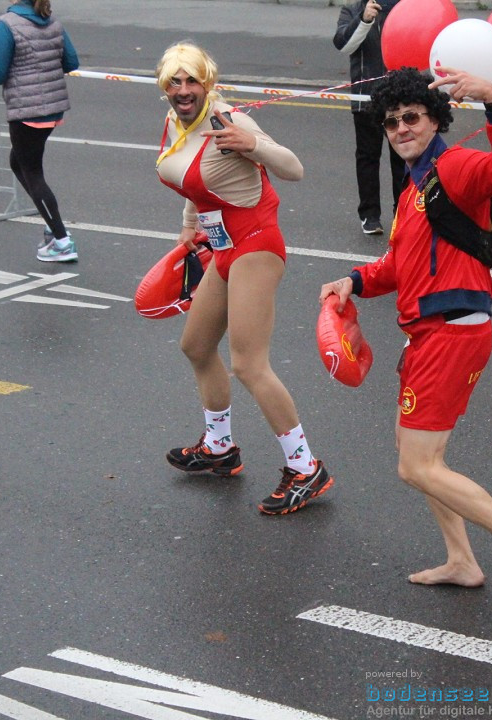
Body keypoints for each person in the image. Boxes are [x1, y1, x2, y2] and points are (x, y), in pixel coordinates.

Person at [319, 67, 492, 599]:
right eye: (392, 122)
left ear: (435, 118)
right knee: (418, 452)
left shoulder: (454, 168)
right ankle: (461, 560)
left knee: (415, 464)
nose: (401, 128)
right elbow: (399, 265)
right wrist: (353, 281)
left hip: (451, 331)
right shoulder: (413, 187)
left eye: (412, 117)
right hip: (428, 332)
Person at [154, 42, 333, 516]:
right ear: (165, 87)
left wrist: (252, 145)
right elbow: (195, 179)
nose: (184, 90)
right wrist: (191, 223)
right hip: (223, 248)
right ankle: (220, 448)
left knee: (250, 364)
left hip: (256, 244)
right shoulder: (176, 122)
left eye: (192, 80)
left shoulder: (226, 121)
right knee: (195, 345)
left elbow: (293, 168)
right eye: (176, 81)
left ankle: (305, 467)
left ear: (207, 83)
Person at [0, 0, 80, 262]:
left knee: (32, 172)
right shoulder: (52, 21)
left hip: (26, 110)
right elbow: (71, 61)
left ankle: (62, 241)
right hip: (52, 109)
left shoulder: (6, 24)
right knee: (18, 163)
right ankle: (52, 223)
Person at [333, 0, 406, 235]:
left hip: (401, 98)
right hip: (368, 99)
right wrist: (364, 20)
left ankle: (403, 214)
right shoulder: (353, 10)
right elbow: (343, 45)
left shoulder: (406, 8)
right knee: (368, 157)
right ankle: (370, 215)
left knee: (403, 159)